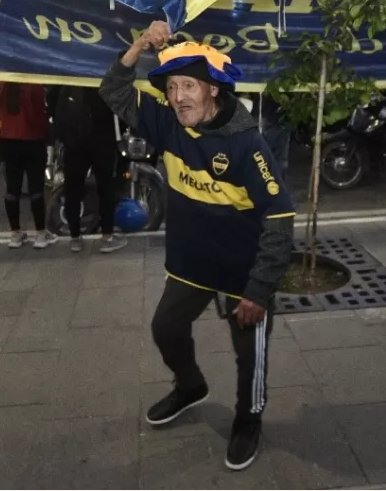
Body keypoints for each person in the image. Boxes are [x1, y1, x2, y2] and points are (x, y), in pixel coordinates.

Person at [100, 23, 293, 472]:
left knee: (250, 355)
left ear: (211, 90)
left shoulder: (248, 144)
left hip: (244, 271)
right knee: (165, 328)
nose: (179, 97)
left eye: (189, 86)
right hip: (192, 262)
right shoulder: (168, 122)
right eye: (171, 87)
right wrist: (139, 46)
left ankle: (249, 420)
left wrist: (259, 291)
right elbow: (114, 91)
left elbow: (280, 218)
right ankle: (190, 386)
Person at [49, 84, 125, 254]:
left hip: (74, 141)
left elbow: (52, 100)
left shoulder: (70, 72)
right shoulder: (106, 75)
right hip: (103, 140)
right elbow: (120, 105)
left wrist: (64, 131)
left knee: (73, 189)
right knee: (106, 189)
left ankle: (75, 238)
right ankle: (107, 236)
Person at [0, 81, 56, 249]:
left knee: (12, 189)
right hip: (33, 141)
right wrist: (49, 135)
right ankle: (41, 234)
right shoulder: (34, 86)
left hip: (8, 141)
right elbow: (40, 117)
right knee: (36, 188)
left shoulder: (2, 85)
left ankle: (15, 234)